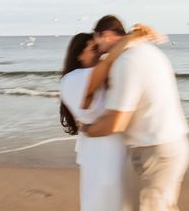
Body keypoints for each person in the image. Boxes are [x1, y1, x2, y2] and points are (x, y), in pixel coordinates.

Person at [81, 15, 189, 211]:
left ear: (104, 35)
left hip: (156, 151)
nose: (96, 49)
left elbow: (116, 123)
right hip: (162, 147)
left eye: (96, 41)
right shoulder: (146, 50)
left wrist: (88, 129)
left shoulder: (127, 61)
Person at [60, 26, 156, 211]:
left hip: (99, 150)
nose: (100, 54)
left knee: (100, 201)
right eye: (94, 49)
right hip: (106, 152)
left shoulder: (79, 79)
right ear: (79, 55)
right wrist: (128, 40)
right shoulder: (76, 78)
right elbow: (109, 66)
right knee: (110, 201)